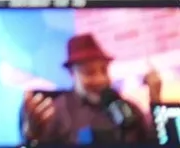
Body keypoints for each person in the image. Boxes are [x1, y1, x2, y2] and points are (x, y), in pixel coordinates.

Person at [22, 33, 164, 144]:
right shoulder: (54, 113)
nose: (101, 79)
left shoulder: (129, 108)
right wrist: (31, 137)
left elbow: (158, 142)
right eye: (89, 73)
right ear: (72, 73)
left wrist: (155, 100)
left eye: (104, 70)